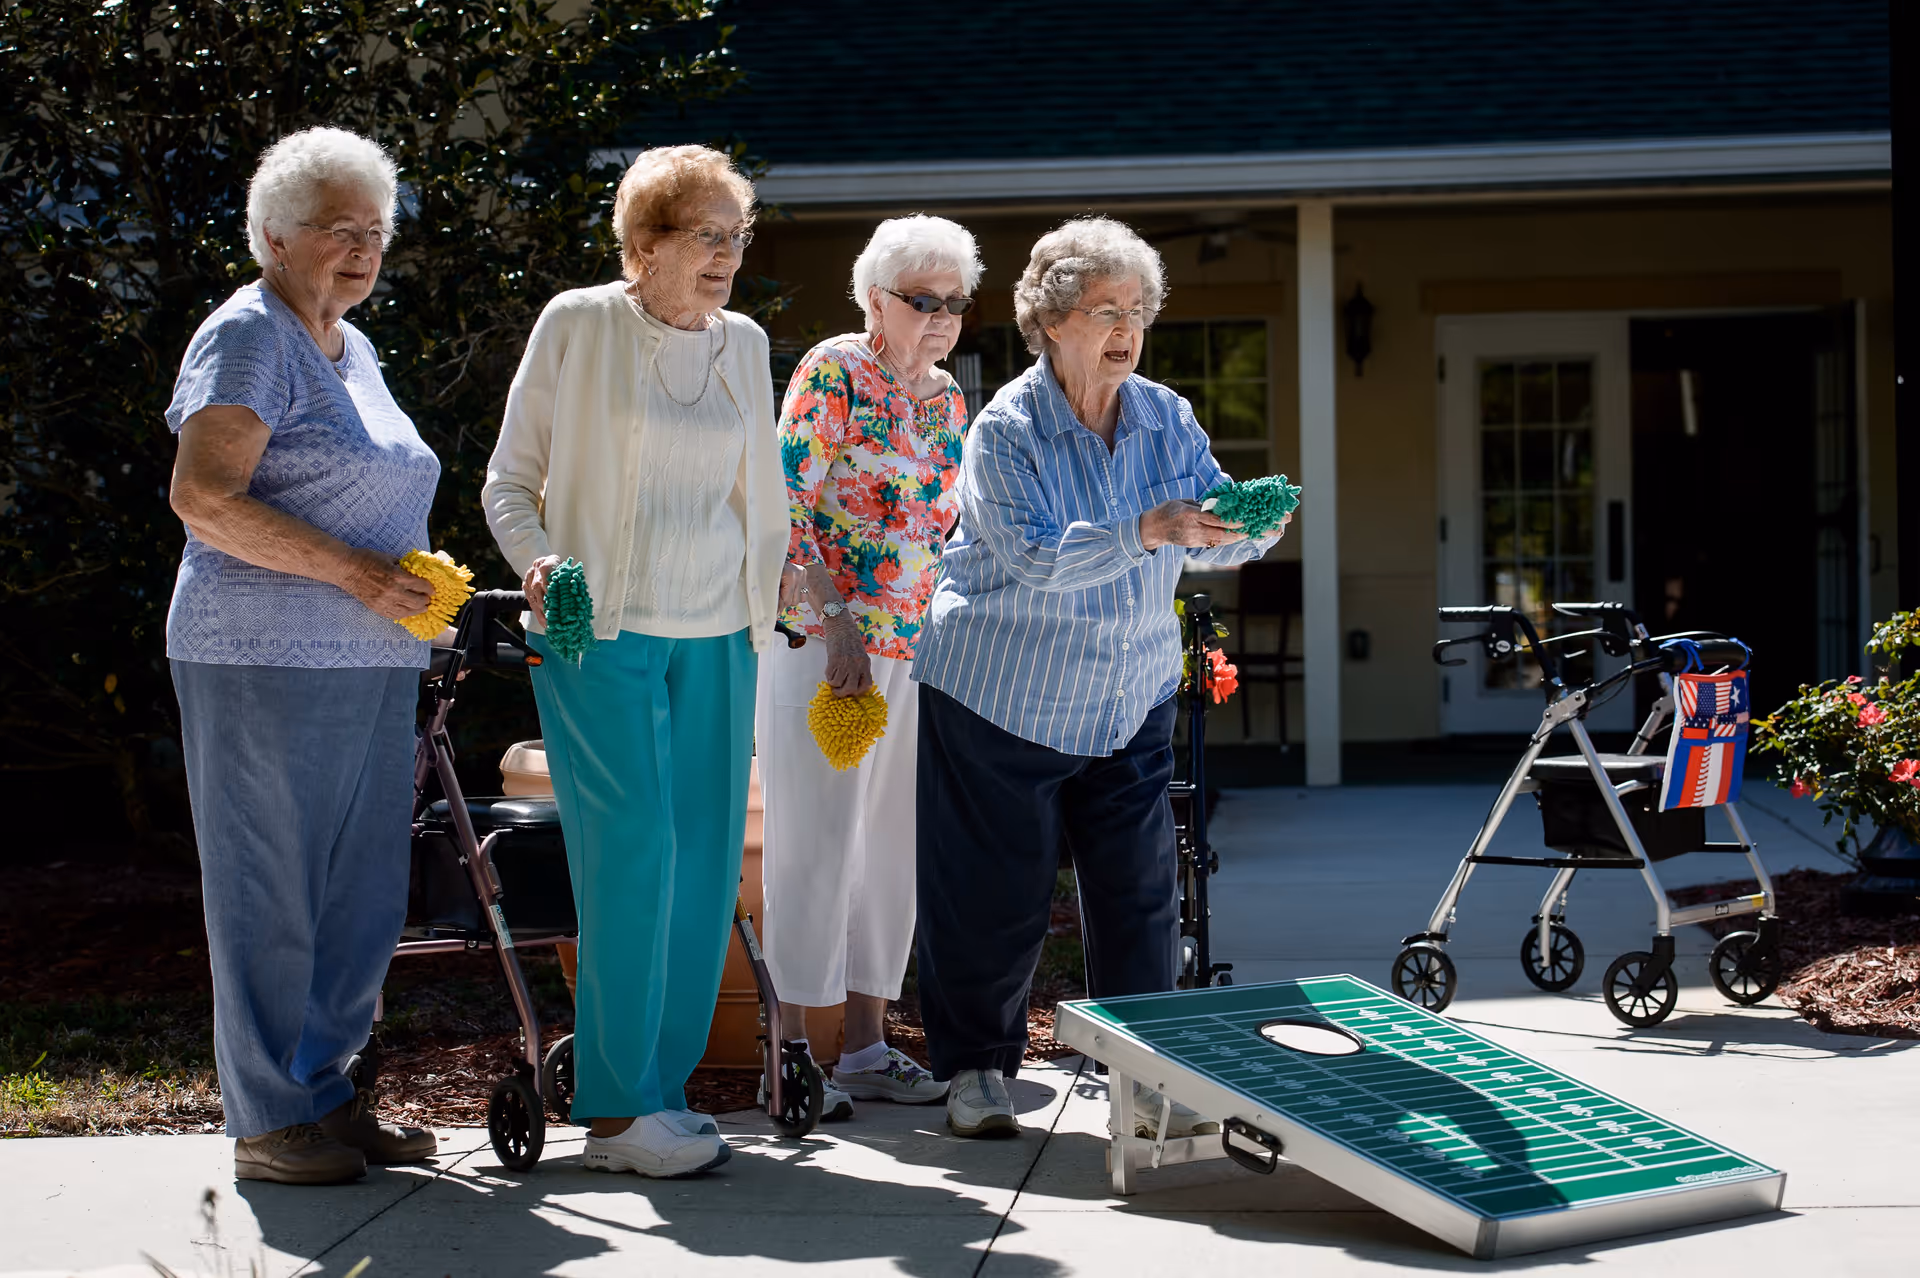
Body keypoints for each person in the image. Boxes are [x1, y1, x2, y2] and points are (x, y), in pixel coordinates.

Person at [910, 218, 1290, 1138]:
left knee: (1139, 894)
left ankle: (1145, 1076)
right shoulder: (1005, 428)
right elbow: (1035, 558)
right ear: (1048, 319)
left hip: (1129, 692)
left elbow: (1209, 524)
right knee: (996, 898)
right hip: (1003, 693)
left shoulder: (1165, 414)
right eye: (1103, 310)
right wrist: (1151, 530)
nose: (1125, 328)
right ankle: (976, 1073)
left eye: (1137, 311)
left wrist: (1247, 524)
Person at [482, 144, 787, 1179]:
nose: (727, 256)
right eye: (707, 236)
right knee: (634, 854)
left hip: (721, 632)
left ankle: (662, 1091)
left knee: (705, 869)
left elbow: (759, 498)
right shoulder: (578, 325)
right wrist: (542, 565)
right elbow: (508, 485)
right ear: (644, 245)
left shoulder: (744, 343)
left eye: (736, 237)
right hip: (595, 631)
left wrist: (792, 597)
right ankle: (615, 1111)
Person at [165, 127, 441, 1185]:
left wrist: (405, 589)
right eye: (340, 230)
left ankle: (325, 1089)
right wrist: (359, 575)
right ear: (276, 236)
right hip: (260, 651)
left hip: (369, 653)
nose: (363, 249)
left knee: (361, 892)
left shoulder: (350, 345)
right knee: (270, 885)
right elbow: (204, 499)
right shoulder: (248, 337)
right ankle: (271, 1119)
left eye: (376, 231)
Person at [758, 217, 980, 1117]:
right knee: (816, 842)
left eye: (953, 303)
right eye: (920, 301)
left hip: (912, 650)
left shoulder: (947, 401)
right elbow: (783, 505)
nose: (938, 318)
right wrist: (838, 622)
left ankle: (865, 1048)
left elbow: (944, 531)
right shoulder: (834, 370)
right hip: (825, 647)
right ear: (874, 299)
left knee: (890, 852)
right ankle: (793, 1057)